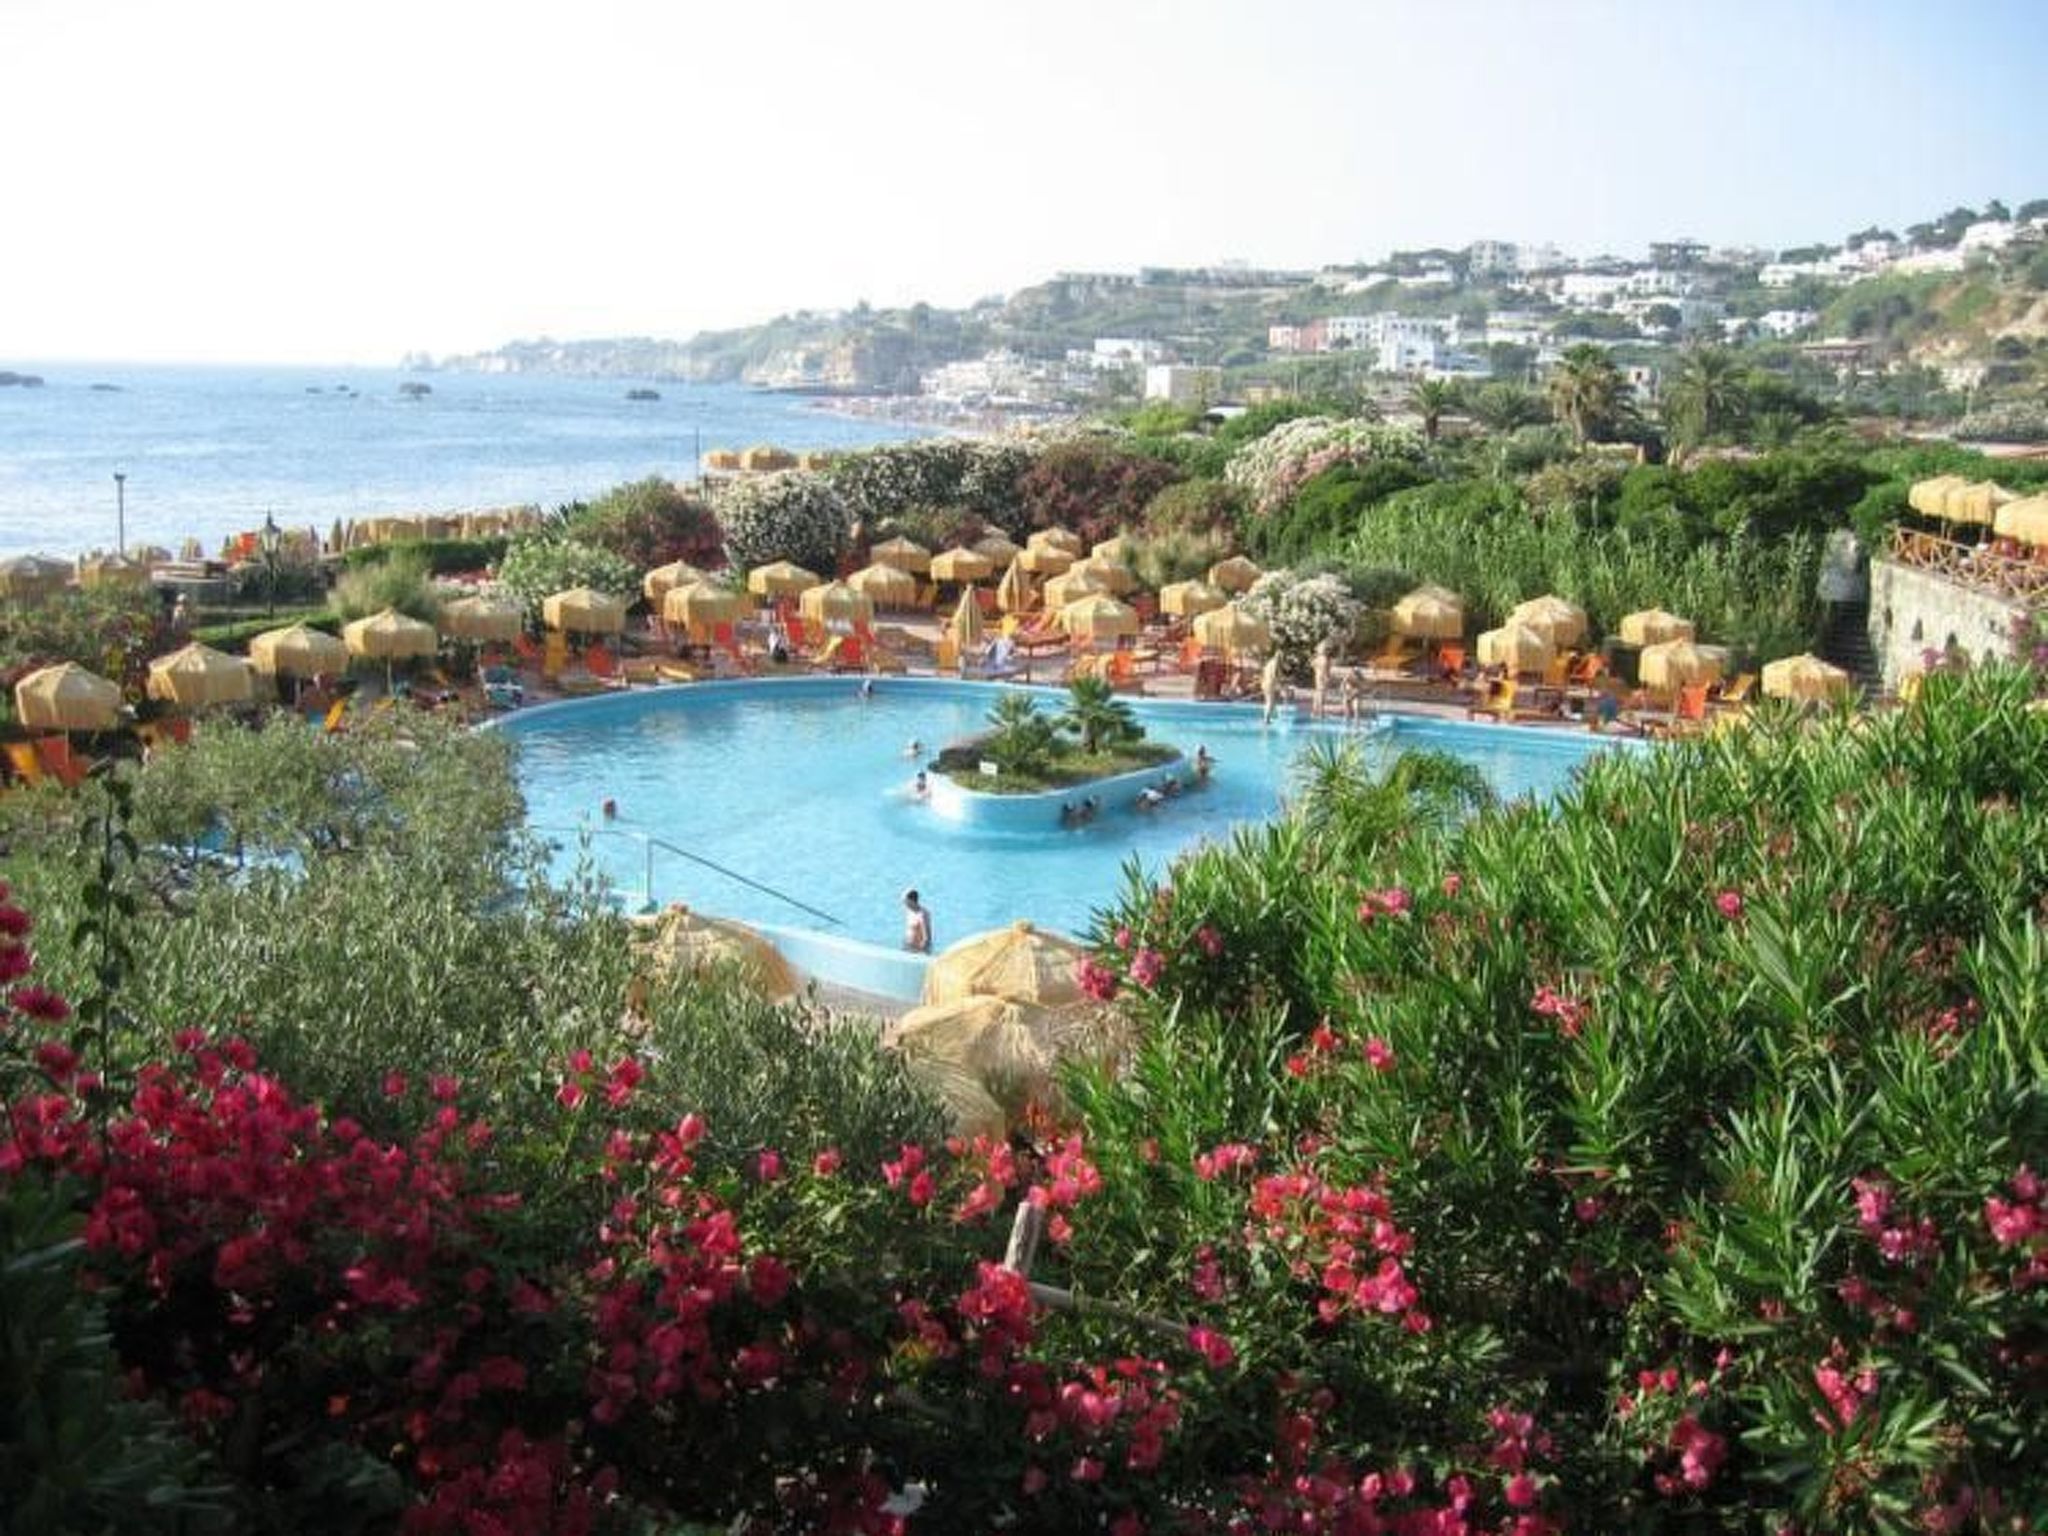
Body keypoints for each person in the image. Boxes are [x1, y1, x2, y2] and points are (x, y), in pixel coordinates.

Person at [902, 888, 932, 953]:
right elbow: (909, 931)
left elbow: (927, 936)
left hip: (919, 949)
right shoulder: (909, 912)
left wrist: (924, 951)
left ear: (911, 900)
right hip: (909, 946)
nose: (904, 904)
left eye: (905, 901)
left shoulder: (923, 914)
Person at [1261, 651, 1284, 725]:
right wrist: (1279, 684)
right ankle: (1266, 719)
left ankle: (1273, 716)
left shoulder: (1269, 663)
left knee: (1272, 701)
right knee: (1270, 702)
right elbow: (1274, 675)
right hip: (1270, 684)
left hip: (1265, 683)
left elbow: (1264, 673)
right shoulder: (1275, 664)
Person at [1311, 640, 1333, 718]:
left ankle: (1314, 712)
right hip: (1322, 677)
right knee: (1321, 694)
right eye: (1328, 649)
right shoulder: (1325, 659)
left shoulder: (1317, 658)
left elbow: (1312, 664)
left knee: (1317, 693)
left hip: (1317, 676)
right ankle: (1321, 713)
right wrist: (1327, 677)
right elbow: (1325, 669)